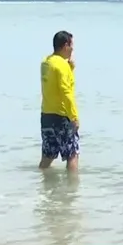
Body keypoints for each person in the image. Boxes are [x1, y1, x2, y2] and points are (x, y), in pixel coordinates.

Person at [39, 31, 80, 172]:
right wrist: (74, 117)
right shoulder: (62, 66)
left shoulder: (46, 62)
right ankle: (72, 189)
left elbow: (54, 83)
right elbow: (66, 93)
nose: (73, 49)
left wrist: (70, 68)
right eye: (71, 45)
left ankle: (43, 185)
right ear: (65, 46)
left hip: (47, 116)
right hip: (62, 116)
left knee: (48, 155)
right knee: (72, 154)